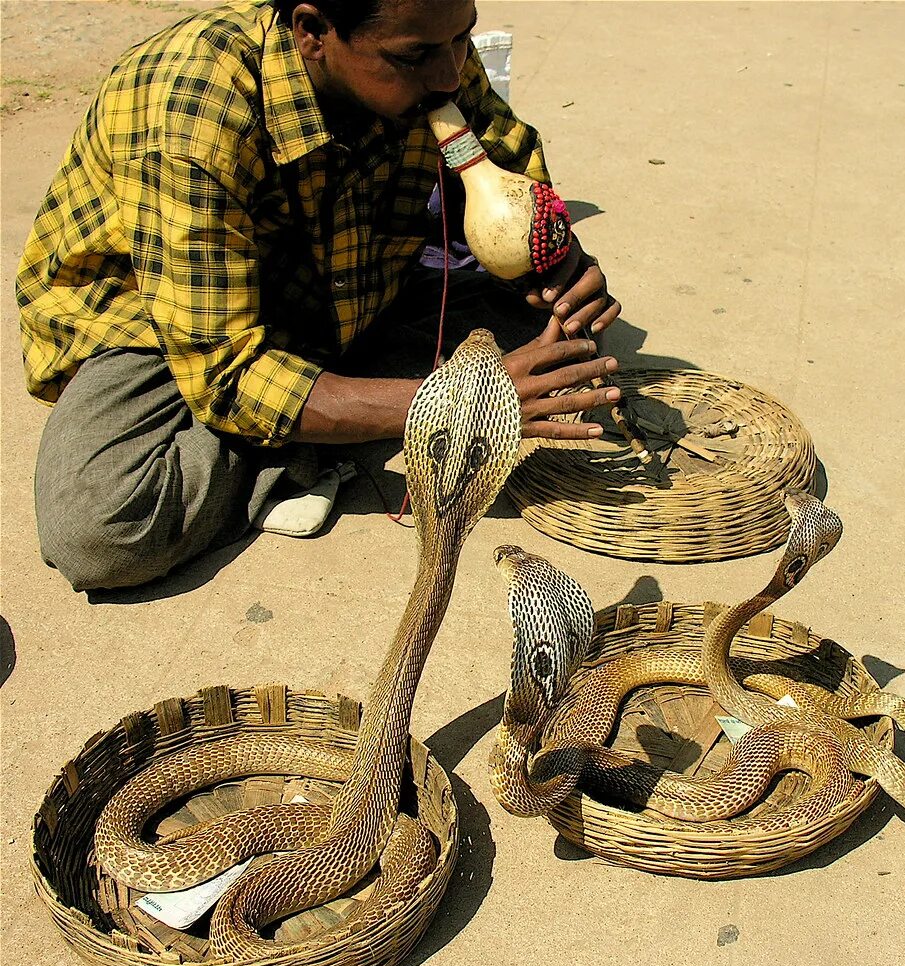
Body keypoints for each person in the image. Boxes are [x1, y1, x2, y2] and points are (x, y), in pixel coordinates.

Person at [16, 0, 623, 592]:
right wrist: (459, 402)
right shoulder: (196, 110)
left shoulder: (436, 51)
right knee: (100, 530)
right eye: (415, 56)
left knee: (563, 341)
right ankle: (304, 443)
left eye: (464, 38)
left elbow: (513, 167)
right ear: (313, 32)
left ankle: (330, 412)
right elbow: (226, 371)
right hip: (172, 324)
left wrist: (553, 259)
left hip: (353, 289)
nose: (450, 74)